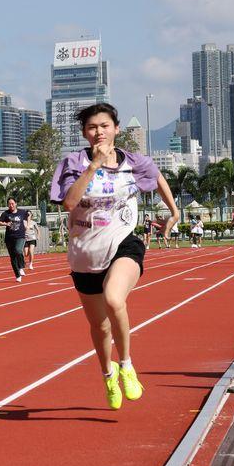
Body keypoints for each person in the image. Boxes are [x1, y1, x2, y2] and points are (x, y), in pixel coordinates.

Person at [50, 102, 179, 410]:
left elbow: (157, 176)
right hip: (85, 255)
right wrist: (93, 166)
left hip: (123, 242)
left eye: (104, 126)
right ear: (85, 132)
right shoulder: (73, 163)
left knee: (113, 299)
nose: (99, 132)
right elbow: (69, 203)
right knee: (100, 326)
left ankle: (127, 365)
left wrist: (174, 212)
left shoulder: (133, 162)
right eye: (92, 127)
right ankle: (108, 375)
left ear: (116, 129)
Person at [0, 197, 29, 282]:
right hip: (9, 238)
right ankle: (17, 275)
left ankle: (21, 267)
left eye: (12, 203)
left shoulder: (22, 212)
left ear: (16, 204)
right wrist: (6, 224)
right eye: (9, 204)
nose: (11, 205)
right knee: (13, 257)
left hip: (20, 236)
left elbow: (29, 214)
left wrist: (27, 225)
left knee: (18, 250)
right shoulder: (5, 214)